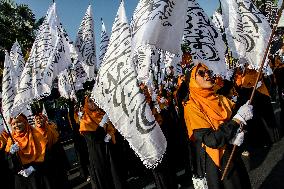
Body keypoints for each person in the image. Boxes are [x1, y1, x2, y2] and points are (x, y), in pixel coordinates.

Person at [184, 63, 252, 189]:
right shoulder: (191, 107)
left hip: (232, 154)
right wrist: (237, 120)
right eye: (201, 73)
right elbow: (211, 140)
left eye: (208, 72)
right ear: (192, 81)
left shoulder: (221, 98)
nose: (207, 75)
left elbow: (237, 122)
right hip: (216, 161)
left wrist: (239, 131)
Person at [80, 96, 128, 189]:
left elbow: (113, 128)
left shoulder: (102, 114)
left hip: (110, 149)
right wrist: (102, 125)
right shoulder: (85, 121)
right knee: (105, 179)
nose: (93, 103)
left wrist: (111, 133)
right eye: (90, 101)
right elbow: (93, 138)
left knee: (116, 176)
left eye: (94, 100)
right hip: (98, 153)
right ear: (86, 104)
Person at [5, 114, 49, 189]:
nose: (16, 125)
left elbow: (47, 156)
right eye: (13, 124)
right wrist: (11, 154)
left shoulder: (37, 135)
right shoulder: (10, 140)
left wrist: (33, 168)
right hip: (21, 180)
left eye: (19, 122)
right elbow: (8, 164)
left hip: (38, 176)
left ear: (25, 122)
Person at [34, 113, 70, 189]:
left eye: (40, 118)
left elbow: (57, 141)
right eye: (36, 119)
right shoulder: (34, 133)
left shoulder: (50, 128)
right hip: (46, 162)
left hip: (56, 157)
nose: (39, 120)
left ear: (45, 119)